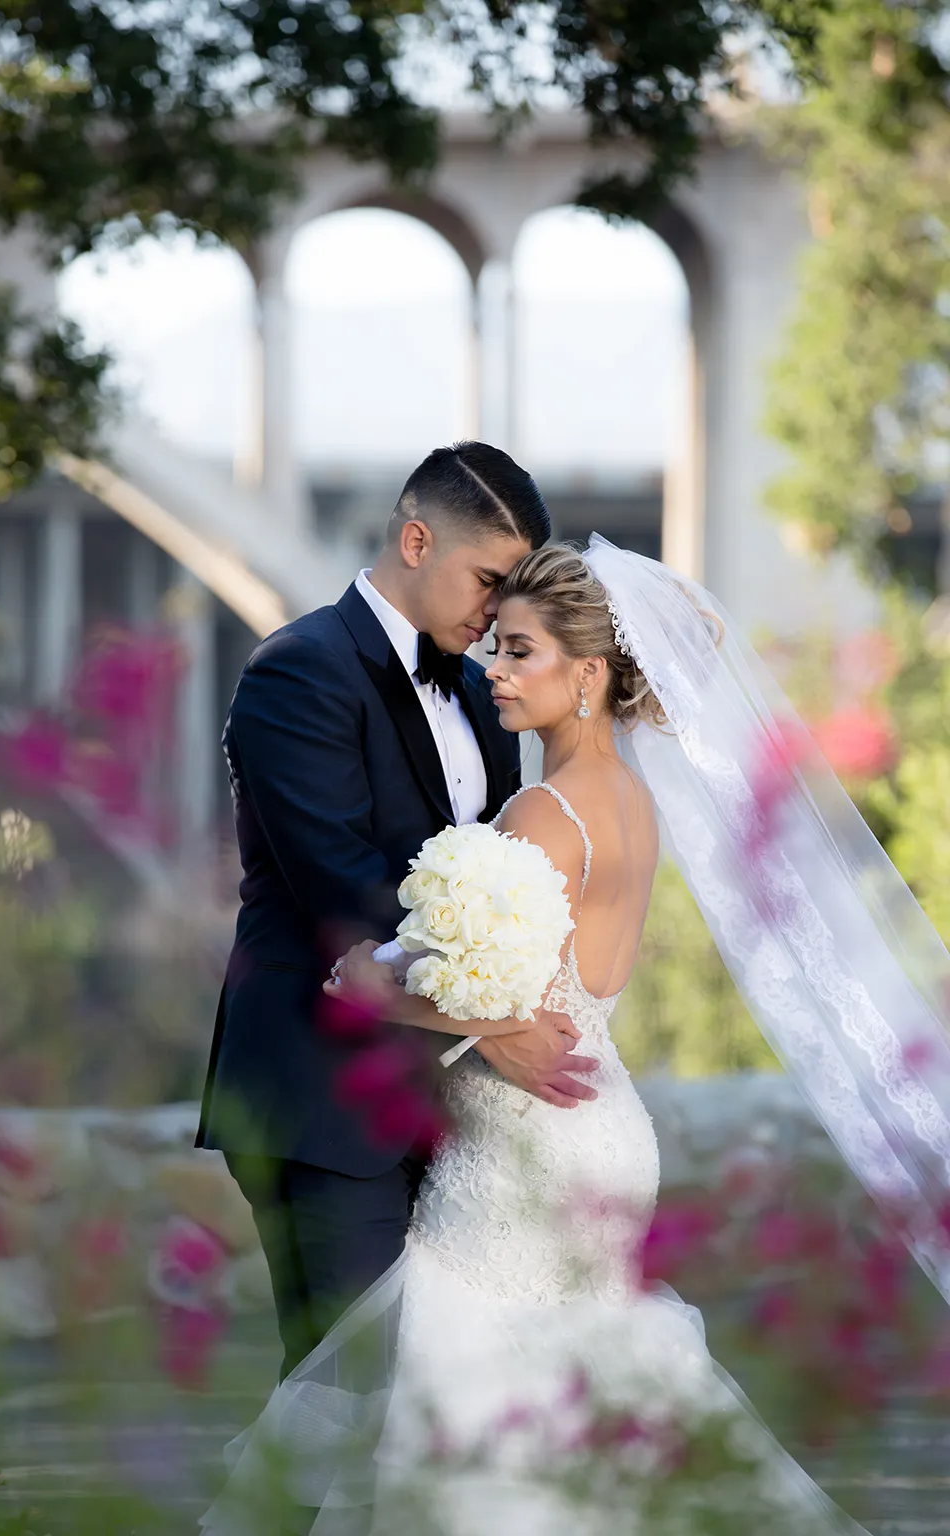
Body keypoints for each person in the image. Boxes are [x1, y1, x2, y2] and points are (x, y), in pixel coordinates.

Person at [195, 536, 950, 1535]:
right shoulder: (628, 802)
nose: (490, 670)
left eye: (518, 652)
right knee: (585, 1389)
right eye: (495, 648)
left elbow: (488, 997)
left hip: (527, 1145)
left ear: (588, 673)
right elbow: (530, 991)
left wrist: (374, 988)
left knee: (477, 1390)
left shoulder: (542, 816)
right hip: (597, 1118)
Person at [195, 444, 598, 1396]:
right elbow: (346, 895)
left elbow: (502, 878)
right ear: (417, 539)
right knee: (348, 1395)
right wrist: (495, 1026)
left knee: (439, 1402)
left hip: (447, 1110)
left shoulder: (470, 685)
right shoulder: (297, 671)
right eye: (488, 580)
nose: (496, 613)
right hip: (321, 1097)